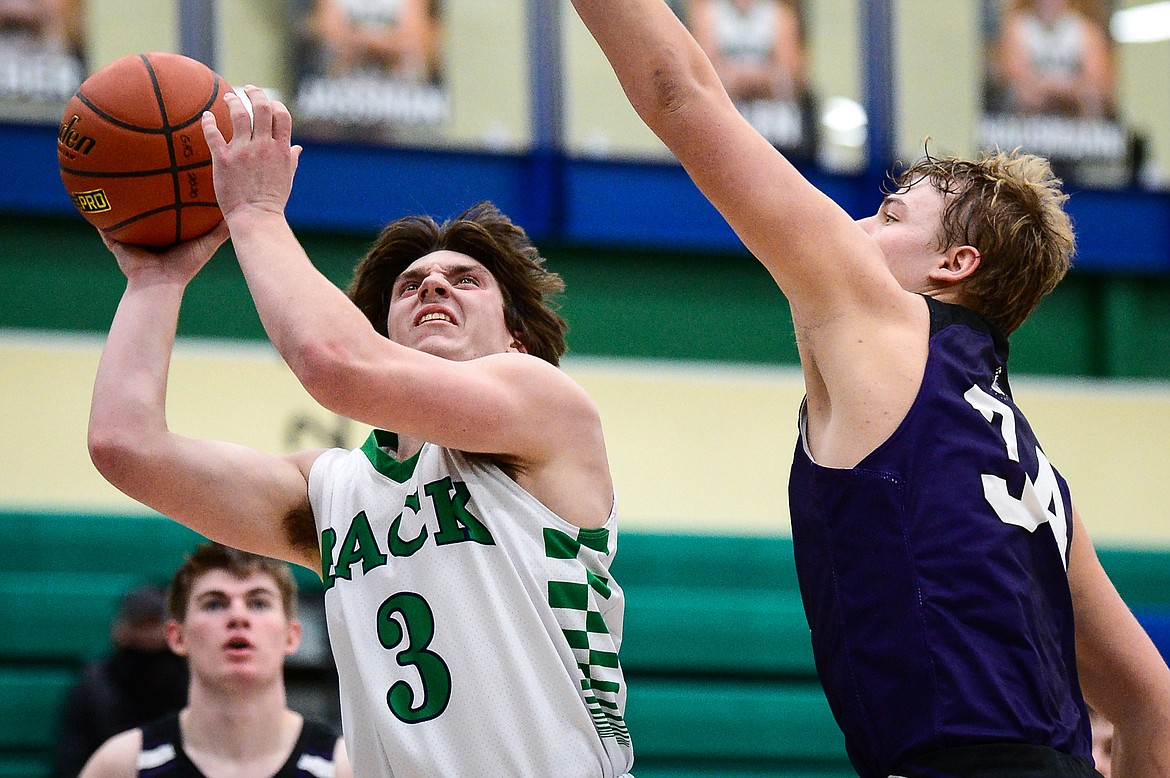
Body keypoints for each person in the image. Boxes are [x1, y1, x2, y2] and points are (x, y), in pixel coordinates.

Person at [565, 0, 1170, 776]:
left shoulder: (885, 321)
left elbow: (681, 92)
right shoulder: (1039, 479)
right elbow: (1151, 698)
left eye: (886, 216)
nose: (851, 228)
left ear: (953, 267)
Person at [86, 86, 633, 776]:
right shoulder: (330, 490)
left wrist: (254, 213)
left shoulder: (544, 407)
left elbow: (333, 362)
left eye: (465, 281)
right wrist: (154, 282)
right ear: (387, 337)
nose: (433, 287)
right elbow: (125, 448)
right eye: (410, 287)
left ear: (517, 339)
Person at [77, 543, 351, 778]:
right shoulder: (122, 766)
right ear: (177, 636)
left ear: (292, 635)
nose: (238, 617)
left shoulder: (342, 768)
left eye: (258, 603)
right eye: (214, 604)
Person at [53, 585, 189, 778]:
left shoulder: (191, 680)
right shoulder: (94, 685)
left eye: (154, 622)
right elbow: (71, 761)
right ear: (120, 628)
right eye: (140, 624)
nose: (148, 634)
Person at [995, 0, 1114, 117]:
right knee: (1021, 94)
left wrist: (1058, 91)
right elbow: (1016, 78)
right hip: (1027, 121)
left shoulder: (1087, 32)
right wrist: (1062, 88)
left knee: (1091, 97)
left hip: (1076, 120)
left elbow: (1097, 82)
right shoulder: (1017, 28)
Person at [688, 0, 805, 103]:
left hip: (772, 112)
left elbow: (791, 76)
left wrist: (751, 80)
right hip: (723, 108)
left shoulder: (780, 15)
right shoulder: (706, 13)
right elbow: (702, 74)